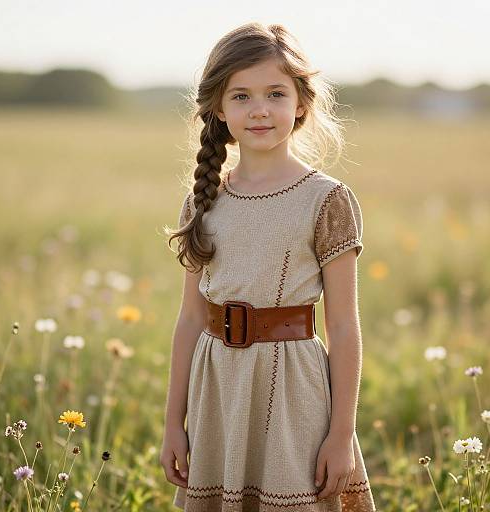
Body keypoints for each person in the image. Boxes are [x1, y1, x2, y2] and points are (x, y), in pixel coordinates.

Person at [160, 21, 377, 512]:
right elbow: (191, 319)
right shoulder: (203, 200)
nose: (259, 109)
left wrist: (341, 435)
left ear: (301, 102)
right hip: (216, 391)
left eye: (275, 93)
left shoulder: (327, 200)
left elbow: (343, 327)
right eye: (241, 96)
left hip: (294, 395)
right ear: (217, 106)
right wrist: (173, 422)